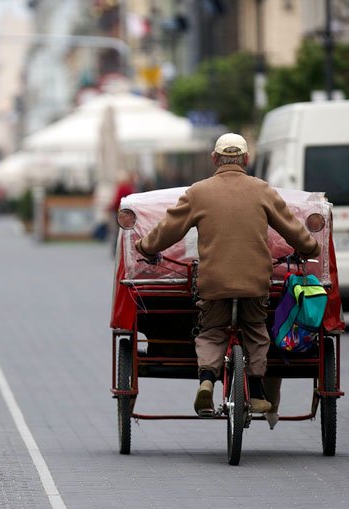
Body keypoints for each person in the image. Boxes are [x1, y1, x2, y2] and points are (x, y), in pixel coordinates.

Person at [134, 133, 321, 416]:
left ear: (214, 159)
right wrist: (310, 247)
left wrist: (145, 246)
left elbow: (169, 229)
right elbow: (292, 228)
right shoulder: (262, 191)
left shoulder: (198, 192)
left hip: (214, 282)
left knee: (211, 332)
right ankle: (257, 392)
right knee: (256, 331)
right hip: (254, 280)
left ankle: (207, 380)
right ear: (246, 160)